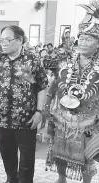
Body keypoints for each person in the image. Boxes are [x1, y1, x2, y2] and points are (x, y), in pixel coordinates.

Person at [0, 25, 48, 183]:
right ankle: (11, 178)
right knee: (7, 154)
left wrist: (39, 112)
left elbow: (42, 86)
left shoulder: (33, 59)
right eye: (1, 39)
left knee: (27, 158)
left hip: (27, 119)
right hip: (2, 118)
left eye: (7, 40)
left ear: (19, 40)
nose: (3, 43)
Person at [44, 3, 99, 183]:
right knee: (59, 154)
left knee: (87, 159)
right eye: (81, 38)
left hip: (89, 123)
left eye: (88, 39)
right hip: (62, 120)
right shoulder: (65, 63)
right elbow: (52, 87)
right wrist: (46, 108)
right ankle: (61, 179)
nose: (82, 42)